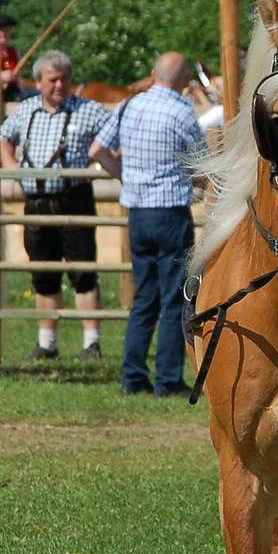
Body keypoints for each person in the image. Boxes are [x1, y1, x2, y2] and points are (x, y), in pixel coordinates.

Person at [88, 51, 206, 396]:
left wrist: (128, 178)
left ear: (154, 75)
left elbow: (97, 150)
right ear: (185, 82)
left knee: (144, 299)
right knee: (174, 299)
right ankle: (168, 380)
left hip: (137, 213)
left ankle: (133, 377)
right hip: (170, 212)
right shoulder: (182, 113)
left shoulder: (128, 105)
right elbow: (202, 167)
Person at [0, 51, 112, 361]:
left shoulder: (89, 110)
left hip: (74, 199)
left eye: (64, 79)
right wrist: (11, 166)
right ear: (38, 82)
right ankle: (46, 342)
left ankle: (92, 344)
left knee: (83, 272)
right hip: (35, 203)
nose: (59, 85)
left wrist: (96, 166)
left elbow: (115, 137)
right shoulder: (25, 111)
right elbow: (3, 136)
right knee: (43, 273)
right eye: (52, 80)